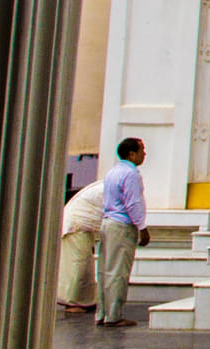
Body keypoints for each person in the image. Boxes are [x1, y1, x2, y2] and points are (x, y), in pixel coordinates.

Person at [86, 136, 149, 328]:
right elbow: (133, 203)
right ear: (132, 154)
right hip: (121, 225)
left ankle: (103, 313)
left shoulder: (113, 172)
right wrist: (142, 228)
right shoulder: (131, 174)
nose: (144, 154)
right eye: (141, 150)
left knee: (105, 269)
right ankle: (114, 315)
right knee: (118, 271)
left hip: (108, 223)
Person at [56, 171, 111, 315]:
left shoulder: (106, 186)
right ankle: (71, 301)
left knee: (86, 264)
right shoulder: (110, 187)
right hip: (76, 225)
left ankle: (84, 300)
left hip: (81, 225)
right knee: (77, 264)